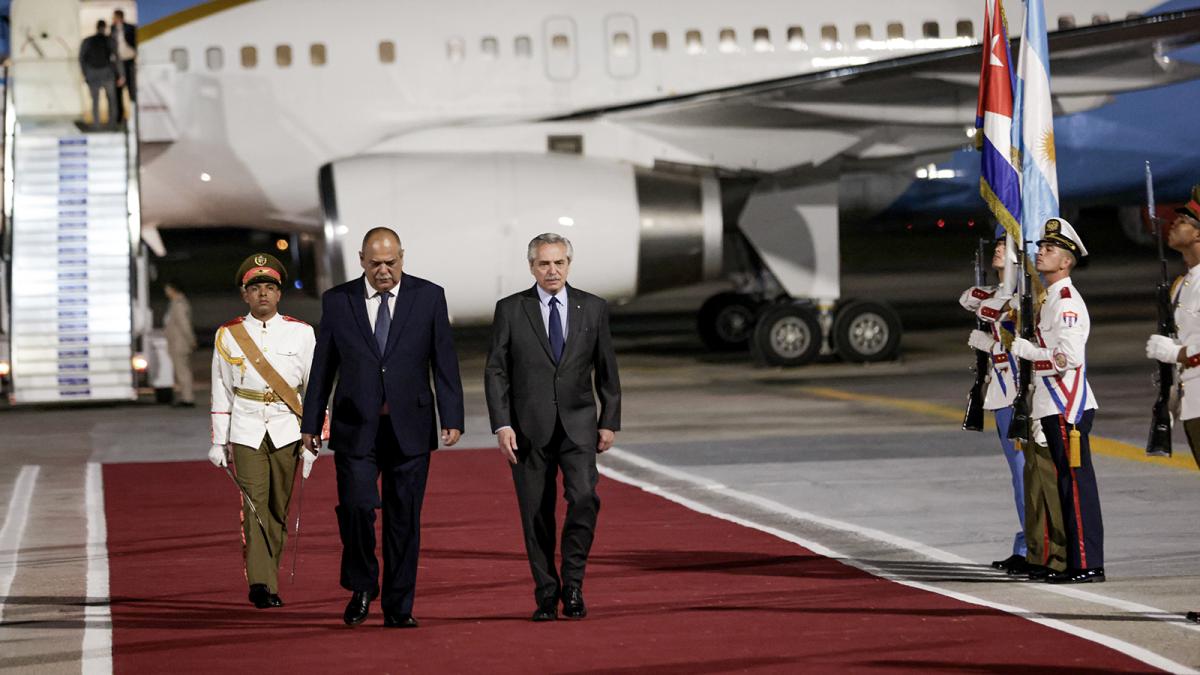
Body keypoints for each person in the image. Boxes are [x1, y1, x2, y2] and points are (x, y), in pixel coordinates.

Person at [301, 227, 463, 629]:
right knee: (356, 507)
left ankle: (398, 605)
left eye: (391, 262)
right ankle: (362, 584)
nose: (384, 271)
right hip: (356, 425)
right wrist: (311, 421)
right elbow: (323, 367)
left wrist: (453, 416)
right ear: (361, 261)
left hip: (410, 425)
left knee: (403, 518)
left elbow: (444, 359)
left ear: (403, 258)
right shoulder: (338, 302)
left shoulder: (429, 297)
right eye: (376, 264)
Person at [484, 233, 621, 621]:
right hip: (528, 429)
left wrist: (609, 419)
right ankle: (547, 594)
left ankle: (573, 583)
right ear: (531, 267)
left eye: (559, 262)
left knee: (583, 499)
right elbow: (496, 370)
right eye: (544, 263)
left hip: (579, 425)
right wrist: (502, 424)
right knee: (536, 514)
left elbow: (607, 367)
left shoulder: (592, 308)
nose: (552, 270)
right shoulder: (511, 309)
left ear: (569, 265)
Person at [207, 253, 317, 609]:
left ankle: (269, 576)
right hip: (247, 428)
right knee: (254, 507)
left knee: (277, 509)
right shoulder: (229, 335)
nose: (263, 294)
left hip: (288, 429)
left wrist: (315, 434)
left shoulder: (301, 333)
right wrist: (218, 439)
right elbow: (221, 389)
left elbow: (314, 387)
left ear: (279, 293)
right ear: (245, 294)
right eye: (256, 289)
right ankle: (261, 583)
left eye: (270, 287)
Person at [1010, 217, 1104, 584]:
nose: (1040, 253)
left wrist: (1030, 353)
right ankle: (1069, 562)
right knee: (1063, 487)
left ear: (1067, 261)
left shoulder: (1066, 302)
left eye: (1049, 249)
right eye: (1040, 247)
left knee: (1075, 489)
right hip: (1051, 404)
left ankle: (1086, 562)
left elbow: (1069, 358)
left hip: (1067, 405)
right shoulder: (1050, 299)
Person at [1143, 184, 1200, 622]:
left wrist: (1176, 353)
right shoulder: (1183, 284)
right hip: (1192, 400)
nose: (1174, 224)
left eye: (1183, 221)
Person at [960, 236, 1029, 575]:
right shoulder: (998, 294)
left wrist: (990, 340)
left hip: (1020, 394)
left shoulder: (1021, 297)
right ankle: (1024, 544)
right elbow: (970, 298)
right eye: (998, 245)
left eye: (1006, 245)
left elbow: (1014, 330)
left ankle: (1032, 547)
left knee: (1024, 475)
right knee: (1018, 478)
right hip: (1001, 394)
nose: (998, 249)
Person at [78, 20, 123, 129]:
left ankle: (96, 125)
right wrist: (121, 74)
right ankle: (112, 124)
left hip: (93, 73)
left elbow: (81, 58)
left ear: (96, 27)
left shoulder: (87, 41)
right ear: (104, 28)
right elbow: (117, 58)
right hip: (107, 73)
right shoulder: (110, 40)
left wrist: (85, 73)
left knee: (95, 101)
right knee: (112, 100)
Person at [163, 282, 197, 407]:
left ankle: (187, 399)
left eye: (168, 289)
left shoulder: (179, 304)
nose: (166, 292)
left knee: (183, 371)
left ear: (173, 289)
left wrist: (191, 339)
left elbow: (184, 325)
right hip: (177, 342)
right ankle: (185, 397)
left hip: (179, 343)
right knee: (181, 371)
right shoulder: (176, 303)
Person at [110, 9, 137, 117]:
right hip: (118, 61)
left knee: (131, 87)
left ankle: (134, 113)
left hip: (129, 60)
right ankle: (119, 115)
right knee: (118, 88)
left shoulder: (130, 28)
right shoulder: (112, 28)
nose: (113, 19)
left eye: (114, 17)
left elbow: (135, 41)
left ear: (119, 17)